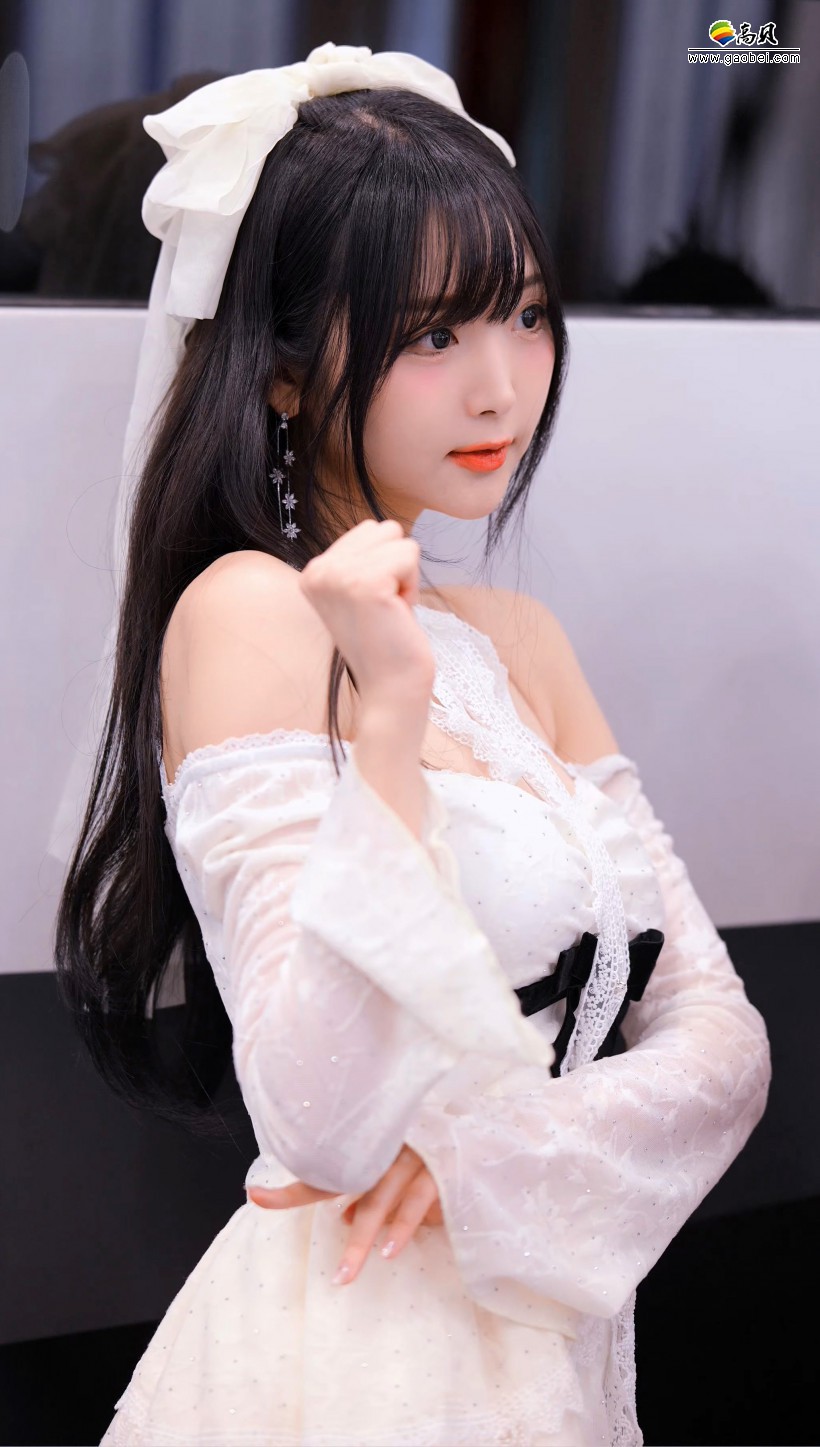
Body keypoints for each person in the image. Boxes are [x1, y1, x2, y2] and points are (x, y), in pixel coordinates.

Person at [51, 43, 771, 1447]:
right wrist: (385, 713)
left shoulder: (522, 639)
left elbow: (725, 1046)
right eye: (434, 335)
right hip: (352, 1351)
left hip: (552, 1332)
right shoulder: (247, 611)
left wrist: (484, 1158)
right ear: (281, 373)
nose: (502, 387)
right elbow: (317, 1120)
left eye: (526, 316)